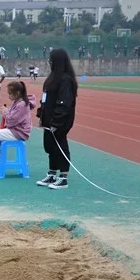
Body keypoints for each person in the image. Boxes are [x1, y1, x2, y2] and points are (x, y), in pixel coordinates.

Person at [36, 48, 77, 190]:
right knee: (50, 146)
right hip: (48, 118)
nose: (49, 62)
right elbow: (45, 98)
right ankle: (52, 173)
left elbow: (65, 102)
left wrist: (56, 122)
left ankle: (63, 177)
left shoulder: (66, 79)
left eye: (51, 59)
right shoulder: (52, 78)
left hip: (60, 121)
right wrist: (41, 115)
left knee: (60, 146)